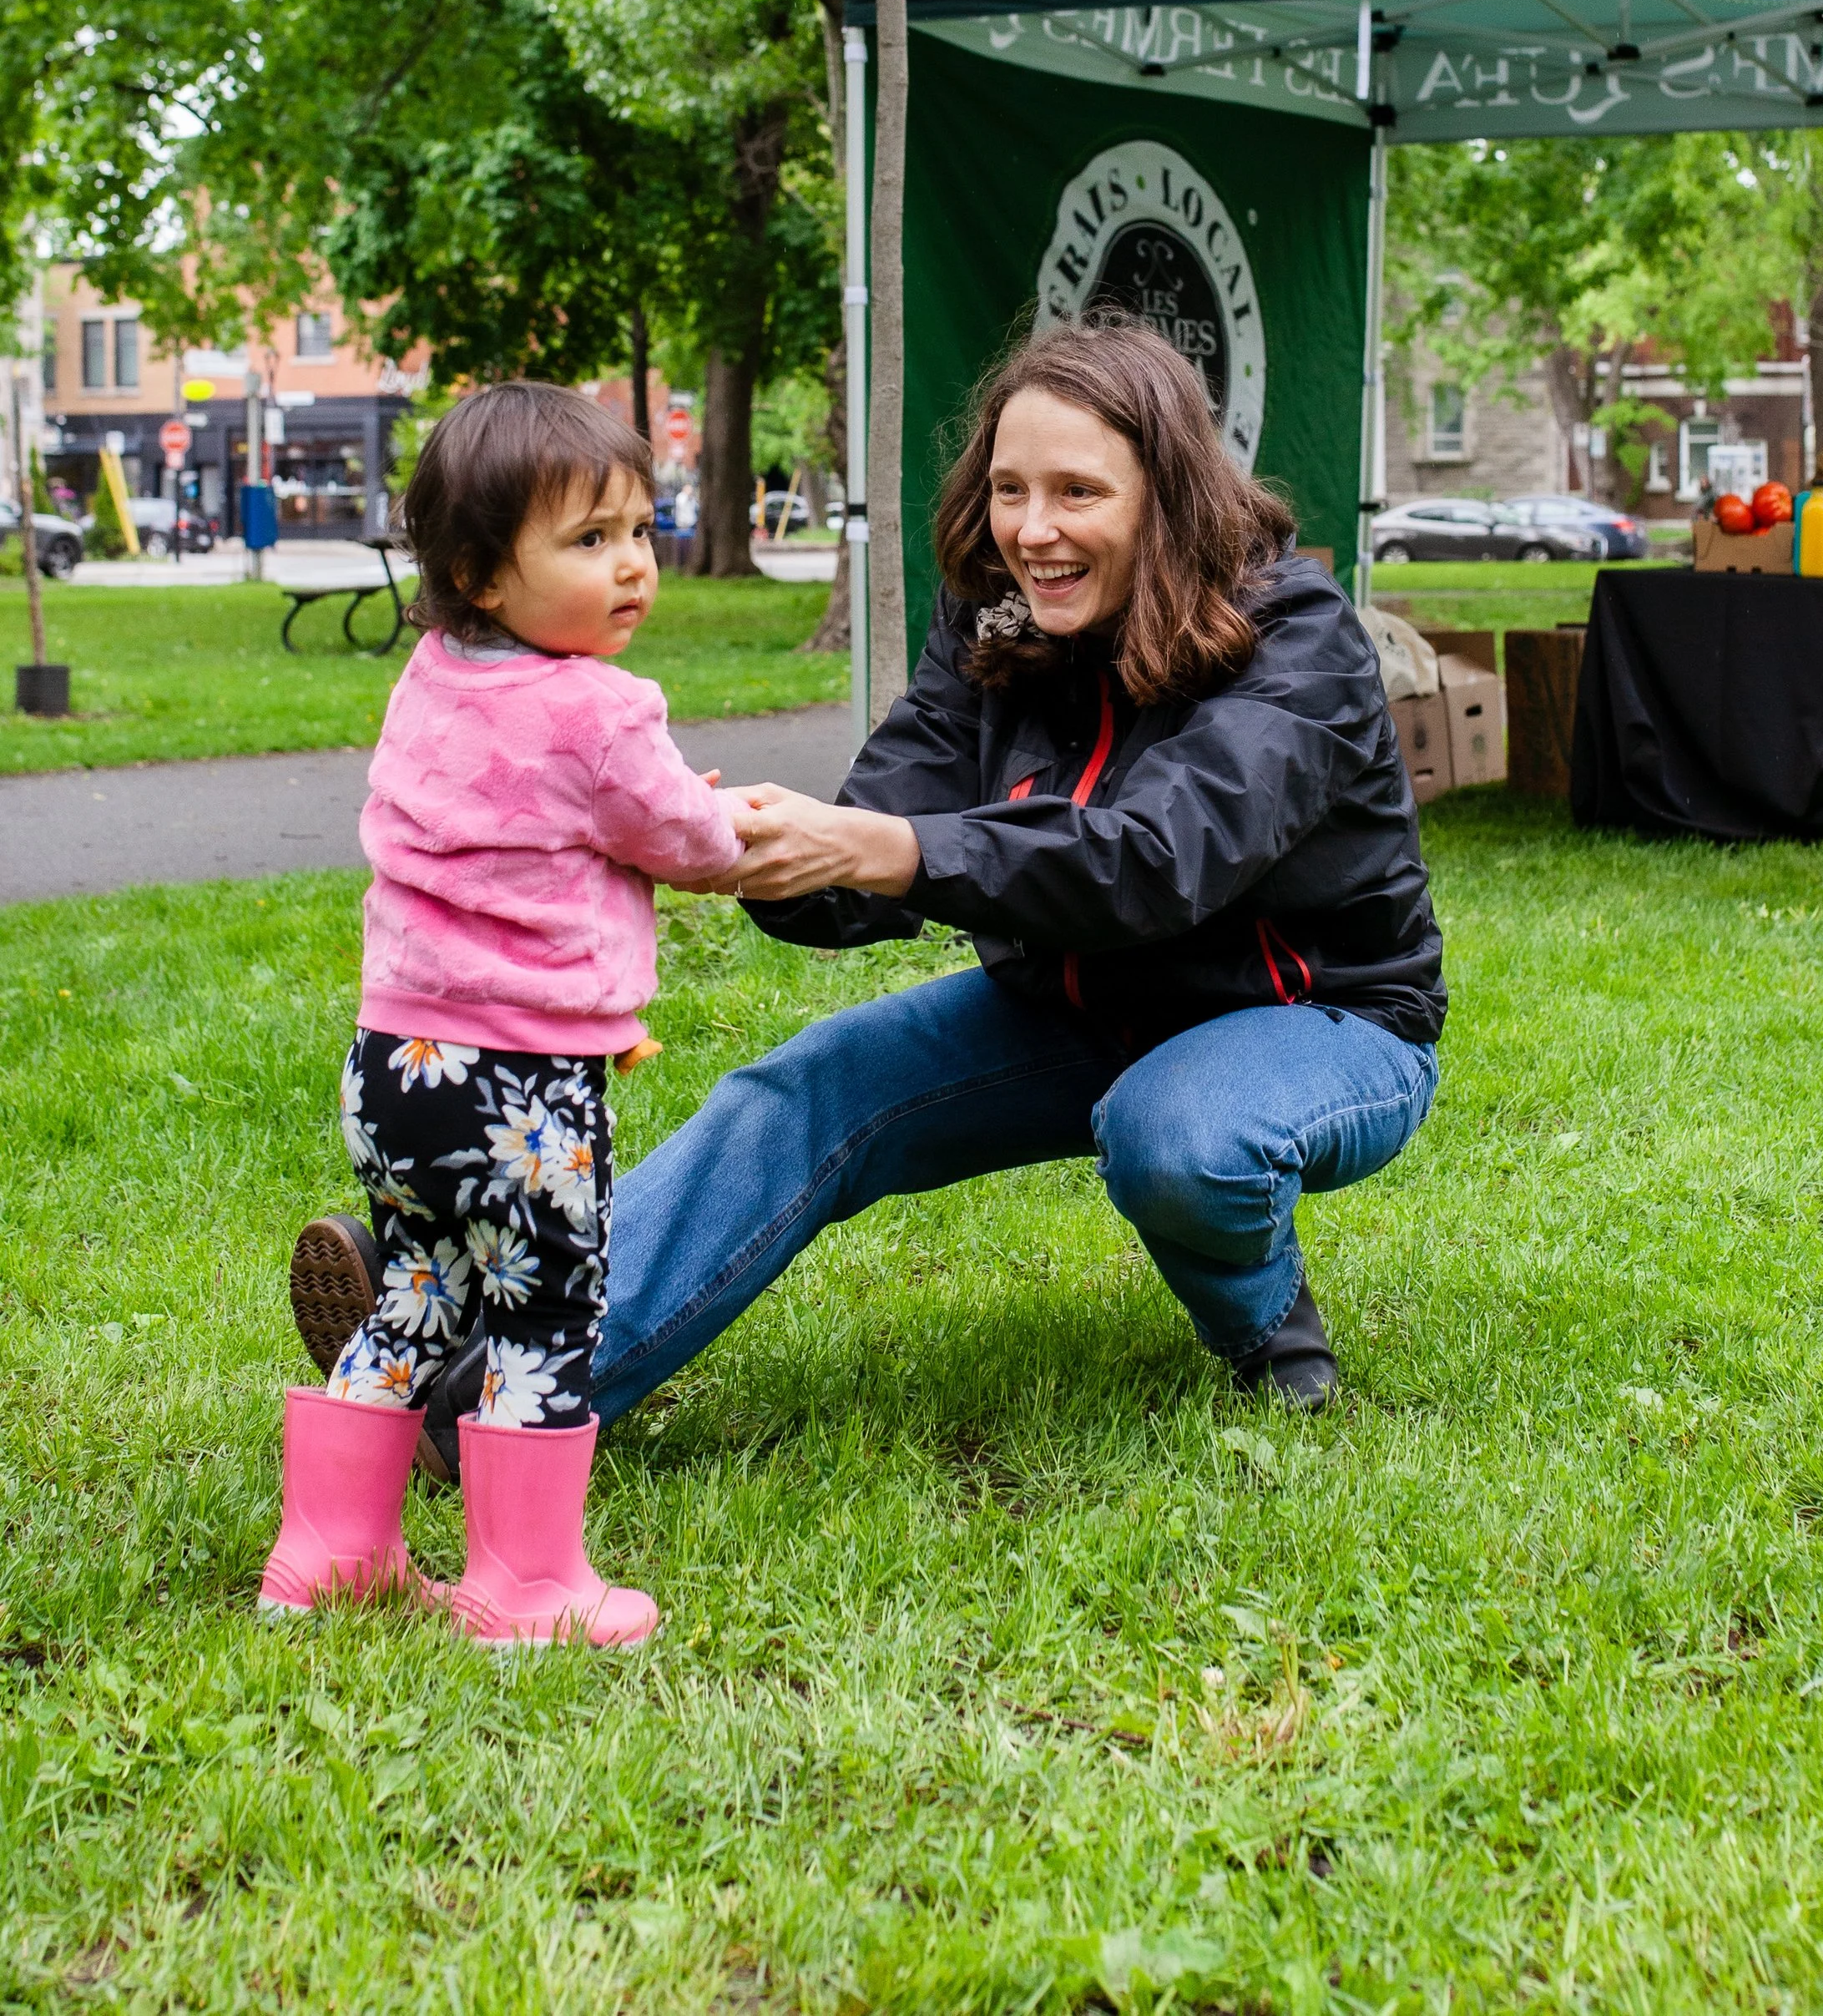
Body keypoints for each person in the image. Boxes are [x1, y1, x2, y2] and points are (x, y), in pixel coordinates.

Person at [292, 315, 1443, 1458]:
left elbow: (1158, 857)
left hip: (1316, 1017)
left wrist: (882, 846)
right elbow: (882, 823)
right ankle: (473, 1396)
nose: (1032, 530)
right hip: (1084, 1005)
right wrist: (740, 847)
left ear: (1169, 492)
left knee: (1177, 1133)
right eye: (1009, 489)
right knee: (803, 1090)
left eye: (1077, 492)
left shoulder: (1301, 636)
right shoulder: (999, 612)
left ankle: (1272, 1335)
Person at [260, 382, 746, 1645]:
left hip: (393, 1068)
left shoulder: (429, 675)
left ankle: (329, 1552)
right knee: (546, 1302)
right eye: (590, 541)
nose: (634, 564)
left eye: (641, 529)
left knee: (418, 1286)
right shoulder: (600, 709)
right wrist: (722, 820)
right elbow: (686, 838)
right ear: (479, 571)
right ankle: (525, 1584)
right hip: (521, 1082)